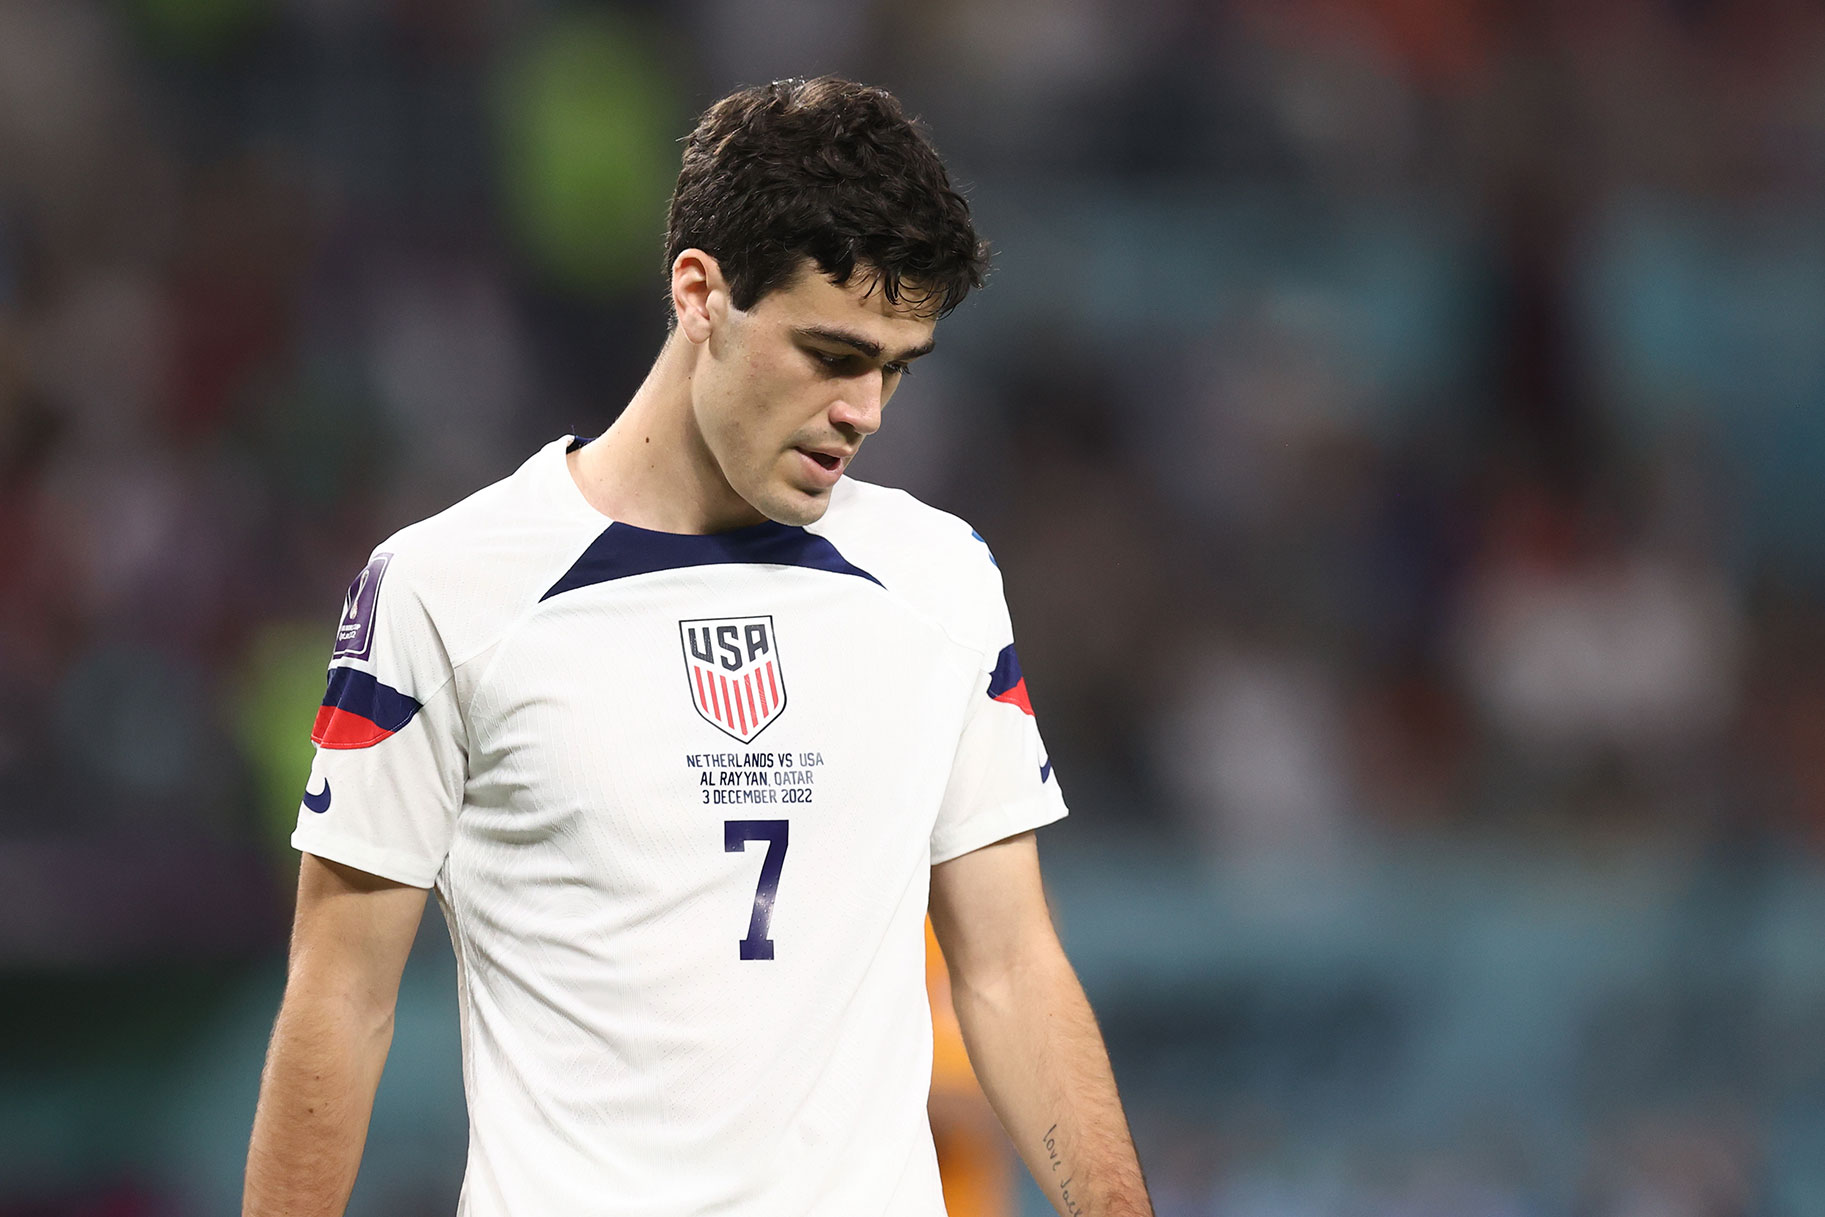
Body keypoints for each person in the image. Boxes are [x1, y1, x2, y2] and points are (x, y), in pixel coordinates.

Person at [243, 76, 1153, 1217]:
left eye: (895, 366)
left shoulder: (941, 579)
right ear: (700, 294)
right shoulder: (445, 588)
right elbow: (341, 998)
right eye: (831, 353)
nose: (864, 408)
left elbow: (1011, 965)